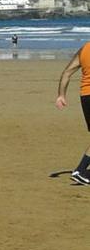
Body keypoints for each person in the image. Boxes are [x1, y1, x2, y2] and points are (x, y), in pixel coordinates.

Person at [54, 38, 90, 186]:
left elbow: (67, 72)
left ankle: (80, 170)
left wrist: (61, 95)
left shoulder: (85, 48)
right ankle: (80, 170)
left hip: (85, 97)